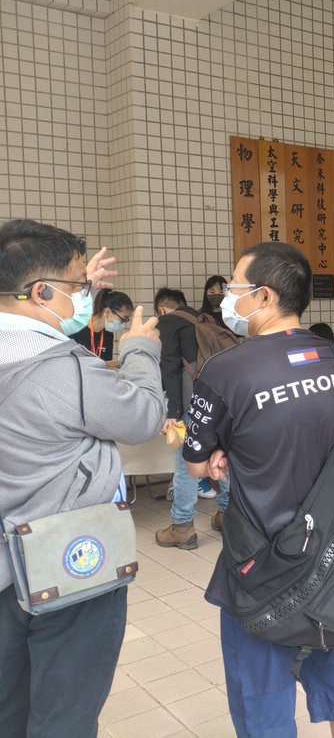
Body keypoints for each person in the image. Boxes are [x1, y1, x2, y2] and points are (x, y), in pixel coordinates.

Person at [183, 242, 334, 737]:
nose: (226, 296)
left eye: (234, 286)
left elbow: (197, 463)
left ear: (264, 296)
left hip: (260, 556)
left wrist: (223, 453)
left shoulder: (225, 369)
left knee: (260, 684)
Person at [0, 219, 164, 738]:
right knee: (64, 712)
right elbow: (142, 417)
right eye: (76, 286)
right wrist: (139, 349)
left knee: (10, 703)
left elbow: (37, 335)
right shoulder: (64, 369)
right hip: (66, 565)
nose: (85, 297)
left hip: (6, 566)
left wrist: (73, 287)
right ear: (40, 292)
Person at [153, 287, 229, 546]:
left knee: (186, 461)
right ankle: (227, 515)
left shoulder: (167, 322)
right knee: (223, 456)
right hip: (221, 402)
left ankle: (182, 525)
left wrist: (172, 413)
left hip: (191, 405)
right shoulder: (207, 320)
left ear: (161, 309)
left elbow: (170, 368)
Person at [69, 288, 133, 364]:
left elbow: (104, 363)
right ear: (107, 312)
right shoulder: (76, 328)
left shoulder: (108, 334)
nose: (123, 323)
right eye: (123, 319)